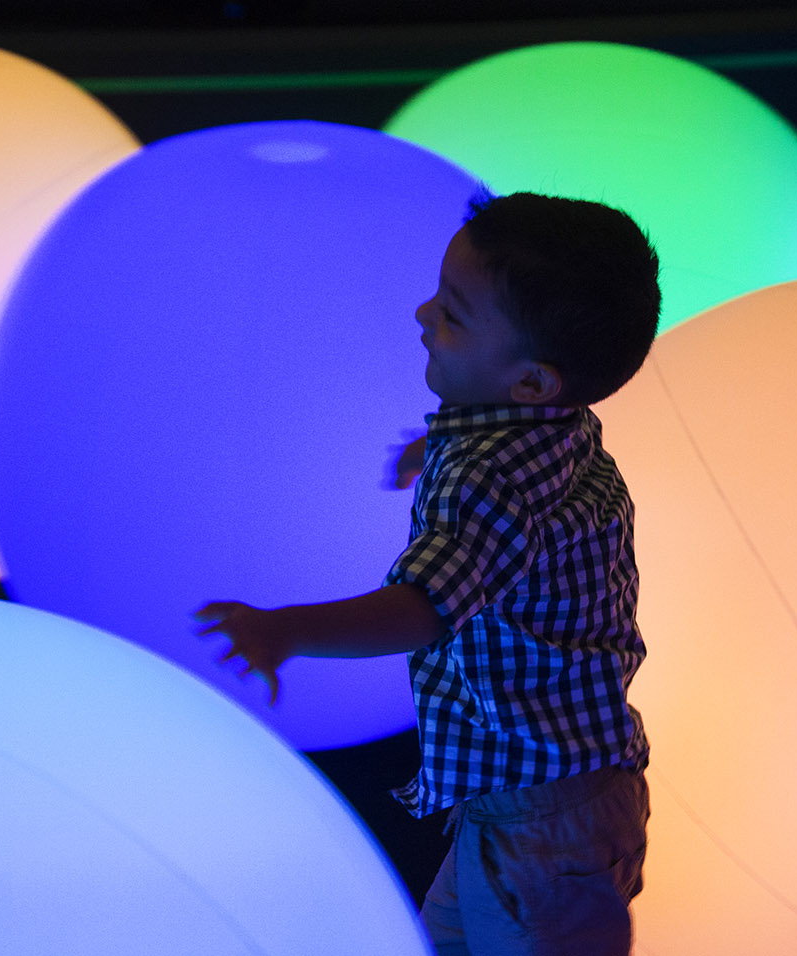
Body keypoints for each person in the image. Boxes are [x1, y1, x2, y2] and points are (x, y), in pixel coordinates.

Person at [194, 191, 660, 956]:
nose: (421, 316)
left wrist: (288, 630)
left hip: (540, 822)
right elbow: (521, 475)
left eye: (452, 312)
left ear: (532, 382)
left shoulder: (489, 482)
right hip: (546, 797)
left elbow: (424, 607)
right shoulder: (548, 424)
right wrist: (434, 449)